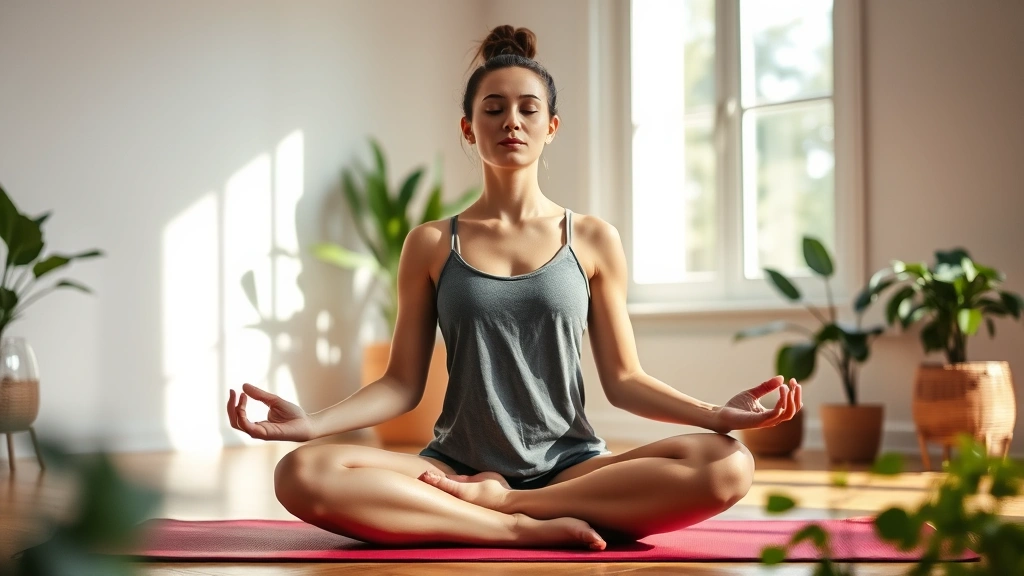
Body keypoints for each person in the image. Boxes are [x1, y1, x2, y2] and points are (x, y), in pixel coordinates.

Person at [225, 25, 802, 551]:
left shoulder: (594, 239)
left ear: (550, 127)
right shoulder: (430, 243)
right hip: (453, 471)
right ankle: (516, 528)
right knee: (300, 472)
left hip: (571, 466)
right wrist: (311, 423)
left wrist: (716, 414)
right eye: (493, 109)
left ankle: (514, 506)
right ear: (467, 128)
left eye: (529, 110)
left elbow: (625, 382)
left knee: (728, 464)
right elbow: (402, 384)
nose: (511, 122)